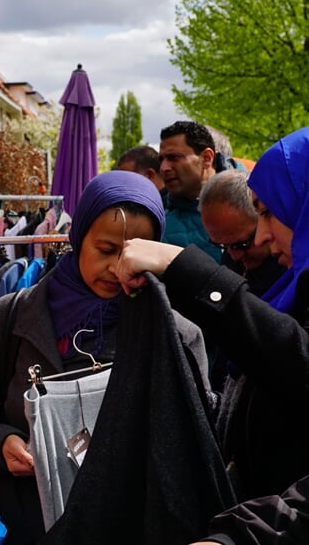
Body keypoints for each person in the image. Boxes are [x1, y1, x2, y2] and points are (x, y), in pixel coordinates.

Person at [0, 170, 209, 545]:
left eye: (134, 254)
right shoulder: (13, 315)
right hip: (27, 527)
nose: (118, 268)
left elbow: (195, 450)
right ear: (79, 238)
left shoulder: (177, 335)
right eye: (106, 250)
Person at [116, 126, 309, 543]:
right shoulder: (293, 289)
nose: (260, 236)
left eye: (269, 212)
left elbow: (297, 360)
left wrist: (186, 266)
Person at [199, 171, 285, 297]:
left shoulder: (290, 266)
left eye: (242, 244)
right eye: (222, 246)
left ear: (265, 218)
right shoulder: (232, 259)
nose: (234, 256)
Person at [158, 120, 224, 260]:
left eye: (173, 157)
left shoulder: (253, 202)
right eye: (161, 160)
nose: (164, 168)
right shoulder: (159, 225)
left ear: (207, 158)